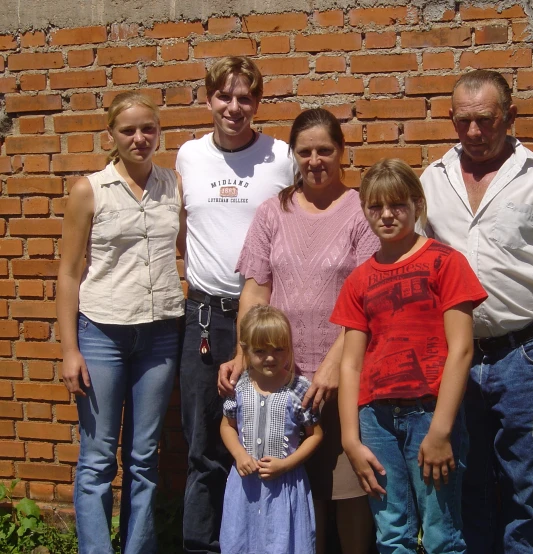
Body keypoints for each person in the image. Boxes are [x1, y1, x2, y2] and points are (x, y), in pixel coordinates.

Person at [419, 69, 533, 554]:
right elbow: (413, 264)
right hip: (456, 359)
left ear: (511, 117)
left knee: (524, 486)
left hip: (528, 358)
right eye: (463, 122)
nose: (474, 133)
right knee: (466, 480)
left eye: (486, 120)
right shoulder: (432, 181)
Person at [218, 108, 377, 554]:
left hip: (342, 374)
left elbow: (367, 299)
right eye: (304, 152)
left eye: (325, 150)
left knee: (346, 487)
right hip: (278, 378)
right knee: (298, 488)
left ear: (342, 152)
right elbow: (255, 290)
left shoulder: (360, 211)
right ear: (293, 156)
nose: (315, 160)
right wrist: (239, 354)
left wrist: (332, 366)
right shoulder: (273, 212)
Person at [332, 159, 488, 554]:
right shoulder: (359, 279)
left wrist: (440, 431)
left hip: (431, 413)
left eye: (397, 204)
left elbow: (462, 350)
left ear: (418, 205)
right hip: (375, 420)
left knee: (441, 533)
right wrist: (350, 438)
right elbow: (350, 364)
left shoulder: (446, 263)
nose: (386, 215)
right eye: (375, 206)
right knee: (392, 531)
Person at [177, 56, 296, 553]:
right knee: (206, 447)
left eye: (245, 97)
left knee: (270, 445)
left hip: (267, 324)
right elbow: (183, 233)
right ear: (208, 99)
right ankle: (202, 546)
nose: (234, 106)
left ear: (258, 102)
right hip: (205, 319)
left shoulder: (281, 156)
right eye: (224, 96)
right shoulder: (188, 156)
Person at [57, 91, 183, 554]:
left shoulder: (174, 185)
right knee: (96, 459)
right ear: (111, 135)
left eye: (148, 128)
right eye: (128, 130)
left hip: (160, 334)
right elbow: (69, 272)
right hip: (102, 331)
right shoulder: (89, 189)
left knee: (144, 457)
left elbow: (189, 249)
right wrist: (70, 349)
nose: (139, 138)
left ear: (158, 133)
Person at [220, 305, 323, 554]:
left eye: (279, 349)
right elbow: (227, 427)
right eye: (260, 350)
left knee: (283, 543)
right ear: (245, 350)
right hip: (245, 485)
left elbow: (315, 434)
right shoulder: (239, 387)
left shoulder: (298, 389)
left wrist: (287, 465)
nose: (270, 357)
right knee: (242, 540)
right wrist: (240, 455)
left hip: (285, 485)